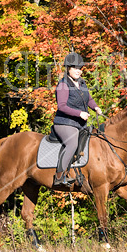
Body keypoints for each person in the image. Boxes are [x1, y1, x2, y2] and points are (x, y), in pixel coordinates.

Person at [52, 52, 103, 187]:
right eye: (75, 68)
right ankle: (59, 176)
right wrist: (79, 113)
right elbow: (61, 106)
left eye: (80, 68)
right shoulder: (63, 84)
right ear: (68, 69)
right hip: (64, 123)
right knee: (72, 144)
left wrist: (96, 108)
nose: (78, 71)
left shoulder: (82, 83)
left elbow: (89, 99)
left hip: (79, 124)